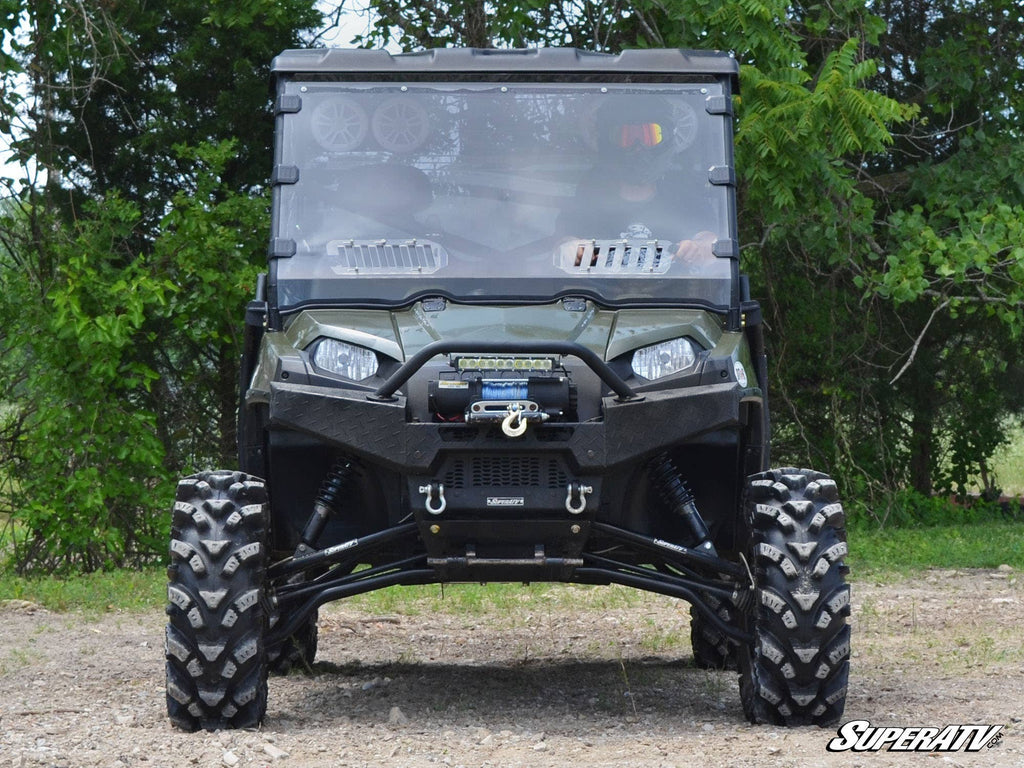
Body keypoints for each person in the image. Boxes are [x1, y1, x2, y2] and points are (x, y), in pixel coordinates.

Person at [559, 94, 718, 269]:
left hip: (675, 295)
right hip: (599, 296)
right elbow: (564, 239)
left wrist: (698, 248)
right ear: (608, 141)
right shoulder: (589, 196)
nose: (638, 148)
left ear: (667, 140)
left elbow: (711, 241)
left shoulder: (685, 195)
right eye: (625, 137)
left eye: (650, 136)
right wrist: (571, 247)